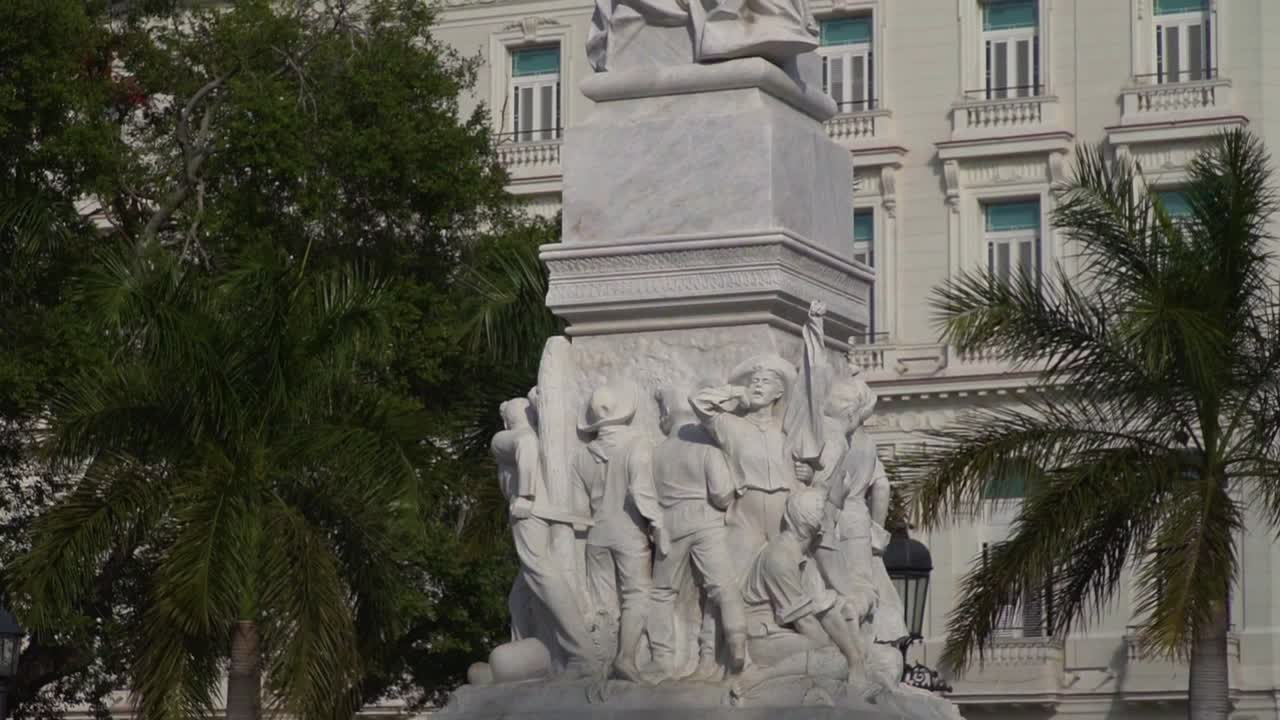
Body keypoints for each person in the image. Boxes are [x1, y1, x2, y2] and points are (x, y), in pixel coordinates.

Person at [648, 385, 748, 680]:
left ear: (667, 415)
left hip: (670, 524)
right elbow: (720, 494)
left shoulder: (655, 453)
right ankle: (737, 647)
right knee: (722, 587)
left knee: (662, 593)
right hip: (706, 523)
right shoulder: (707, 449)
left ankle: (662, 658)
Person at [491, 397, 596, 676]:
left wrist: (525, 495)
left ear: (506, 419)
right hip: (546, 512)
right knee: (520, 592)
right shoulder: (543, 436)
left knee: (541, 572)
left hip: (528, 513)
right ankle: (524, 650)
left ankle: (580, 651)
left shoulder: (504, 437)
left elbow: (525, 444)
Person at [732, 489, 869, 700]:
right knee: (834, 662)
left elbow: (826, 612)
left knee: (865, 658)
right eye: (827, 516)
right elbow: (806, 623)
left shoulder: (803, 558)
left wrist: (855, 658)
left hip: (792, 634)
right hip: (765, 638)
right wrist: (837, 651)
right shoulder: (780, 558)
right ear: (817, 527)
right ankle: (759, 677)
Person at [572, 383, 665, 681]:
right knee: (637, 593)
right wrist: (658, 524)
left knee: (604, 602)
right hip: (628, 529)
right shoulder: (638, 444)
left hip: (596, 534)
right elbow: (642, 492)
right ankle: (626, 658)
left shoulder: (581, 456)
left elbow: (578, 509)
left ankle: (602, 664)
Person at [690, 355, 813, 555]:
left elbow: (811, 459)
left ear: (779, 392)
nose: (757, 386)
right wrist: (735, 391)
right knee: (740, 567)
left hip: (783, 506)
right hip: (746, 507)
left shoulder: (786, 429)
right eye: (754, 381)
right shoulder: (731, 426)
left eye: (765, 382)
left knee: (783, 566)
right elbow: (698, 401)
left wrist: (808, 474)